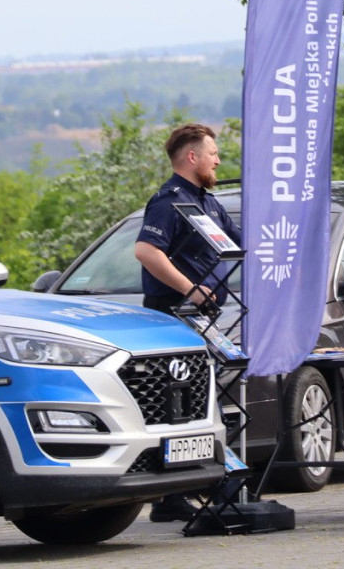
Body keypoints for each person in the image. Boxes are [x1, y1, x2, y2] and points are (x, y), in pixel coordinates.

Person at [134, 123, 242, 523]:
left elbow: (237, 246)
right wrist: (190, 288)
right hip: (171, 314)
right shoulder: (168, 201)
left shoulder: (208, 203)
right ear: (192, 157)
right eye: (213, 152)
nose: (219, 159)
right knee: (177, 404)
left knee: (199, 401)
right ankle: (169, 496)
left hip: (204, 319)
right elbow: (146, 250)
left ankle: (185, 489)